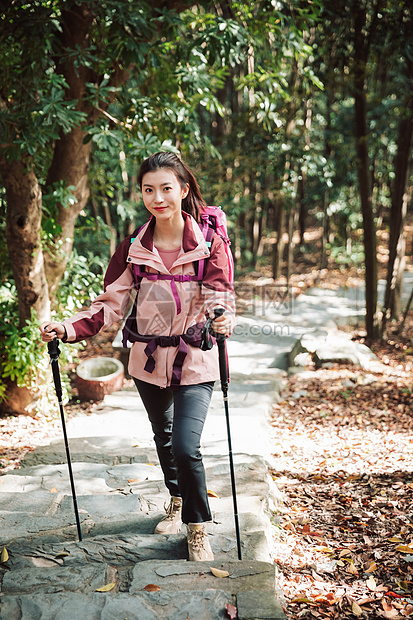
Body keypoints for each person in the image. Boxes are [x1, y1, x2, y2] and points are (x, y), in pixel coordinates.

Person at [40, 151, 235, 562]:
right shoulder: (132, 246)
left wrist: (221, 318)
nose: (157, 197)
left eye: (166, 188)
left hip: (195, 358)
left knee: (186, 446)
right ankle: (177, 498)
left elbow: (221, 293)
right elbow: (110, 301)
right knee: (163, 438)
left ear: (183, 190)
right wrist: (70, 328)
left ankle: (197, 527)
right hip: (147, 361)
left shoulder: (209, 243)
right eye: (149, 189)